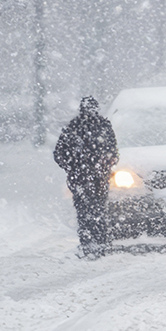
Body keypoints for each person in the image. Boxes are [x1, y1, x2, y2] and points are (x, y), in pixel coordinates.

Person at [54, 96, 119, 258]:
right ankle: (101, 243)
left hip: (80, 178)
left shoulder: (73, 126)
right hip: (98, 178)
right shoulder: (103, 126)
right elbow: (114, 153)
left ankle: (88, 243)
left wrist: (72, 168)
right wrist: (105, 166)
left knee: (83, 211)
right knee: (98, 210)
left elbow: (59, 153)